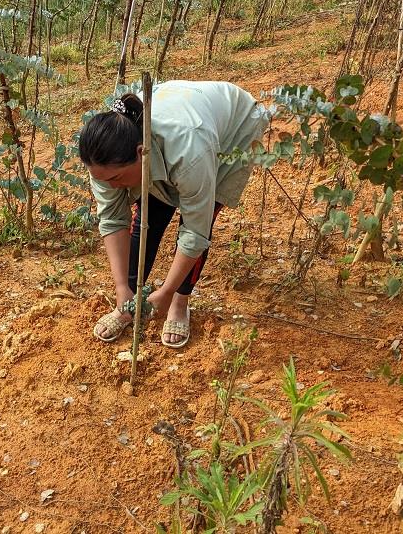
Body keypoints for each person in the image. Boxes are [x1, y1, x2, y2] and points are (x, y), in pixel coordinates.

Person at [79, 80, 268, 348]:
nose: (111, 186)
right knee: (148, 217)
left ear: (140, 152)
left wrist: (166, 292)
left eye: (116, 178)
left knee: (200, 215)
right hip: (183, 111)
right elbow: (112, 219)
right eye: (103, 180)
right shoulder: (102, 158)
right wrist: (122, 287)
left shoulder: (191, 152)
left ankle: (179, 302)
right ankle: (130, 301)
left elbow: (195, 231)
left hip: (232, 128)